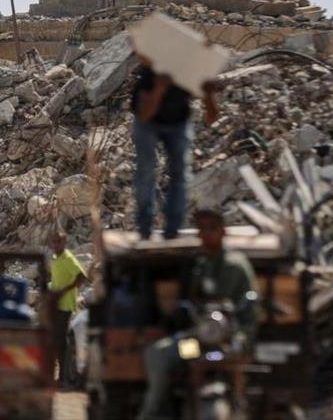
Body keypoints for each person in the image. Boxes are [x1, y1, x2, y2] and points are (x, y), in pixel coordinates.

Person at [138, 210, 258, 420]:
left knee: (249, 366)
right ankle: (156, 411)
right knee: (158, 354)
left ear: (223, 232)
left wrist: (244, 334)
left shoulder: (237, 265)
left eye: (212, 228)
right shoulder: (199, 265)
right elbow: (190, 302)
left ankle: (242, 406)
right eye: (202, 229)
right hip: (198, 341)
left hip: (231, 340)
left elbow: (250, 304)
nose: (206, 233)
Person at [131, 55, 220, 240]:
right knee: (146, 169)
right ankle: (144, 225)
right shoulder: (150, 76)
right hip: (147, 122)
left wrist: (209, 94)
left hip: (178, 122)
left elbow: (212, 118)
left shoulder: (189, 76)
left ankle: (173, 227)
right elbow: (145, 115)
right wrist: (159, 89)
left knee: (180, 172)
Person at [46, 232, 87, 387]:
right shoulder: (56, 258)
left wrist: (65, 290)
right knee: (56, 340)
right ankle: (59, 375)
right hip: (56, 305)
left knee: (61, 341)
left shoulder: (68, 258)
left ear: (64, 242)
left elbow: (82, 276)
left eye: (58, 242)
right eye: (53, 242)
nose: (55, 245)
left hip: (65, 306)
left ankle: (63, 378)